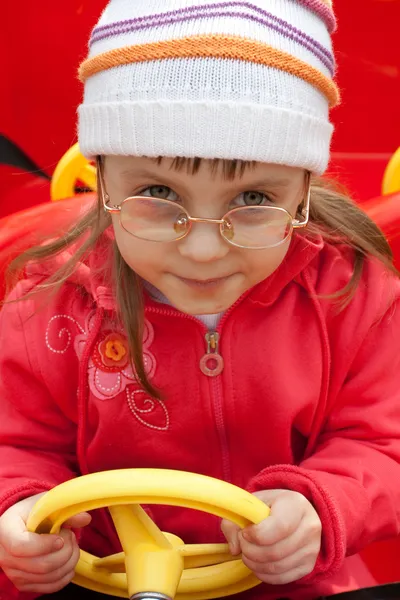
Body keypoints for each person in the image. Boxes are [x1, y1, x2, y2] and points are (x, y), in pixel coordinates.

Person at [1, 1, 400, 599]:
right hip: (101, 578)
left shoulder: (351, 293)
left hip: (292, 580)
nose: (206, 249)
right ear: (101, 176)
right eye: (159, 192)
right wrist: (19, 511)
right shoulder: (52, 305)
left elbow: (384, 441)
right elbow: (15, 442)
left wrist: (320, 504)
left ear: (304, 190)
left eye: (254, 198)